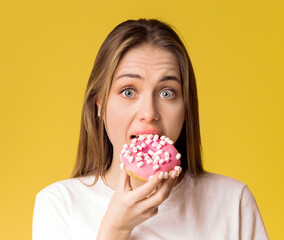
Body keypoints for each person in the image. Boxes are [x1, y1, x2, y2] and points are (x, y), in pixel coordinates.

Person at [32, 19, 268, 240]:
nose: (149, 113)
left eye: (167, 93)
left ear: (186, 107)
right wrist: (115, 229)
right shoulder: (59, 204)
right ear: (99, 105)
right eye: (128, 91)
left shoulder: (232, 201)